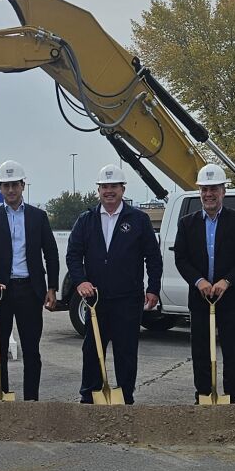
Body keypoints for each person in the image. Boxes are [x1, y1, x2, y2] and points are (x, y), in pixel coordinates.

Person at [65, 164, 162, 404]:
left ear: (122, 189)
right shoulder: (86, 220)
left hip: (128, 299)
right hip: (96, 300)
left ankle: (125, 397)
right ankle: (89, 396)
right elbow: (73, 255)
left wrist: (153, 288)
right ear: (98, 190)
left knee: (125, 351)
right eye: (105, 187)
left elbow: (153, 257)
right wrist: (81, 281)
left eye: (114, 187)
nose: (109, 191)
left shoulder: (138, 220)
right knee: (92, 349)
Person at [0, 160, 61, 400]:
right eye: (6, 185)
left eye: (15, 185)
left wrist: (52, 287)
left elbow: (51, 253)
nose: (11, 190)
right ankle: (1, 395)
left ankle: (31, 401)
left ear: (23, 185)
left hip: (30, 292)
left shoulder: (38, 217)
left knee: (31, 350)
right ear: (0, 188)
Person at [173, 164, 235, 403]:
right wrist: (198, 281)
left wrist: (226, 281)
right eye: (204, 189)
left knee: (232, 352)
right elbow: (181, 258)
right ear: (199, 192)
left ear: (223, 191)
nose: (208, 194)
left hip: (231, 299)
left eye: (214, 189)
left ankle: (232, 398)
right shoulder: (187, 223)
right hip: (200, 299)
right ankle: (203, 396)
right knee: (201, 351)